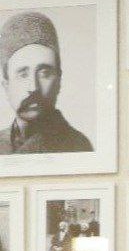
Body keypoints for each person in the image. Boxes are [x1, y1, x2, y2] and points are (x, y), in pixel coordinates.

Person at [0, 11, 92, 154]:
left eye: (44, 73)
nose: (33, 87)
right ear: (6, 85)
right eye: (23, 74)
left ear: (59, 81)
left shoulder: (78, 146)